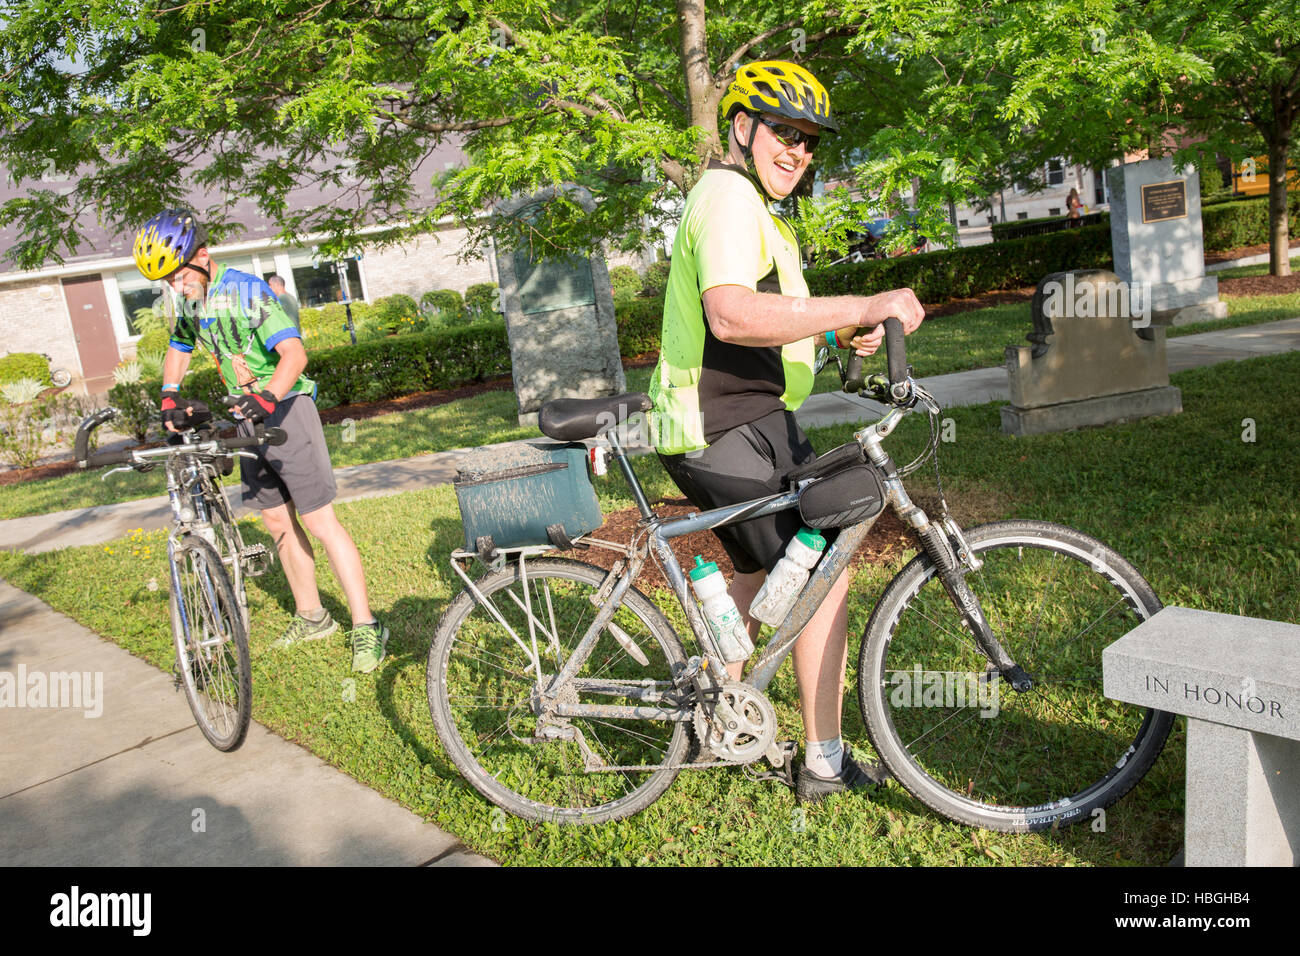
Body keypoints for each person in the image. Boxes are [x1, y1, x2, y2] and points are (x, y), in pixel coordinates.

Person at [647, 61, 925, 804]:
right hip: (720, 424)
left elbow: (770, 331)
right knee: (821, 571)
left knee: (752, 578)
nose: (798, 152)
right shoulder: (729, 198)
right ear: (742, 128)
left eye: (809, 142)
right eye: (784, 132)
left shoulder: (760, 215)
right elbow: (730, 314)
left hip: (748, 418)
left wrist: (844, 337)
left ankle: (713, 717)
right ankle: (825, 762)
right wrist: (864, 302)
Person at [133, 209, 389, 673]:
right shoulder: (194, 300)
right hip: (247, 420)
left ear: (203, 257)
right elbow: (180, 345)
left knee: (318, 521)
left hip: (287, 410)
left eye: (177, 276)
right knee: (275, 521)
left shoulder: (247, 292)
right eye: (166, 282)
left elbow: (295, 353)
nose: (175, 287)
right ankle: (313, 616)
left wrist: (268, 397)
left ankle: (368, 626)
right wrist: (169, 394)